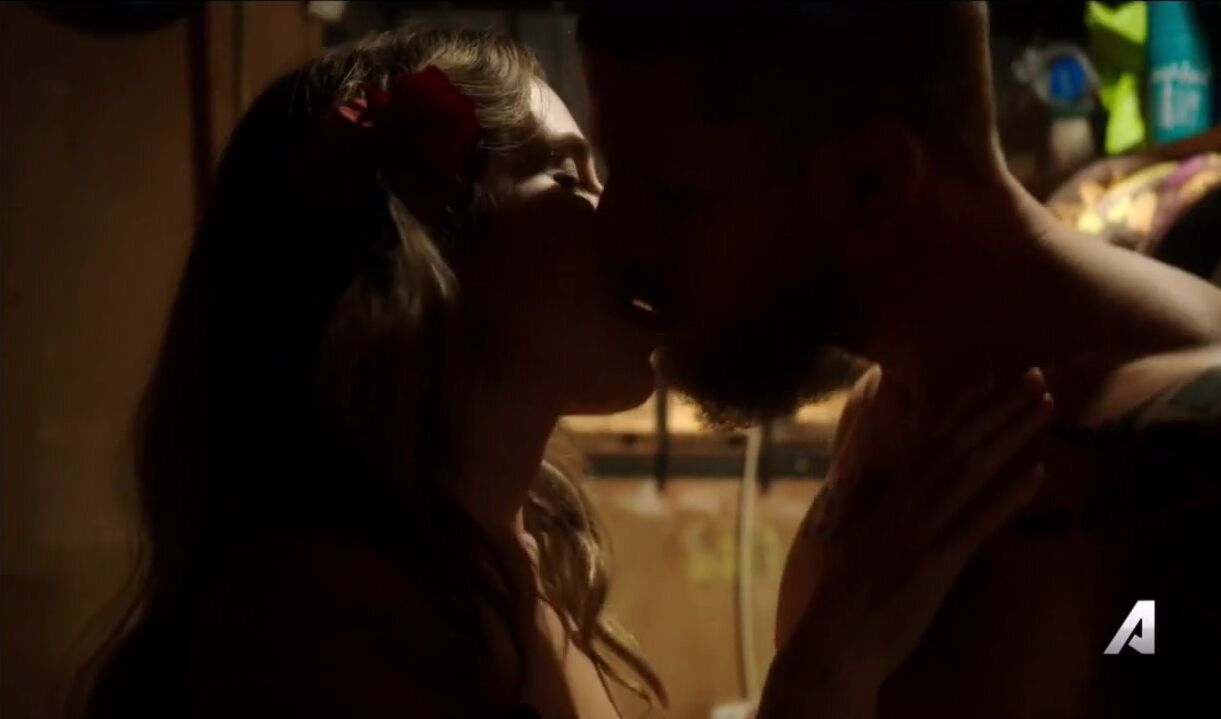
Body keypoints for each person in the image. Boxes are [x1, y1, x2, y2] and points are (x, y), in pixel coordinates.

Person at [71, 23, 1055, 719]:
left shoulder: (498, 547)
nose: (623, 224)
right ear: (421, 256)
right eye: (569, 175)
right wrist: (827, 673)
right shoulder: (316, 635)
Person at [578, 2, 1221, 717]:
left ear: (869, 182)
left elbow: (1136, 639)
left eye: (674, 197)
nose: (614, 238)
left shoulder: (1204, 454)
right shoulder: (890, 406)